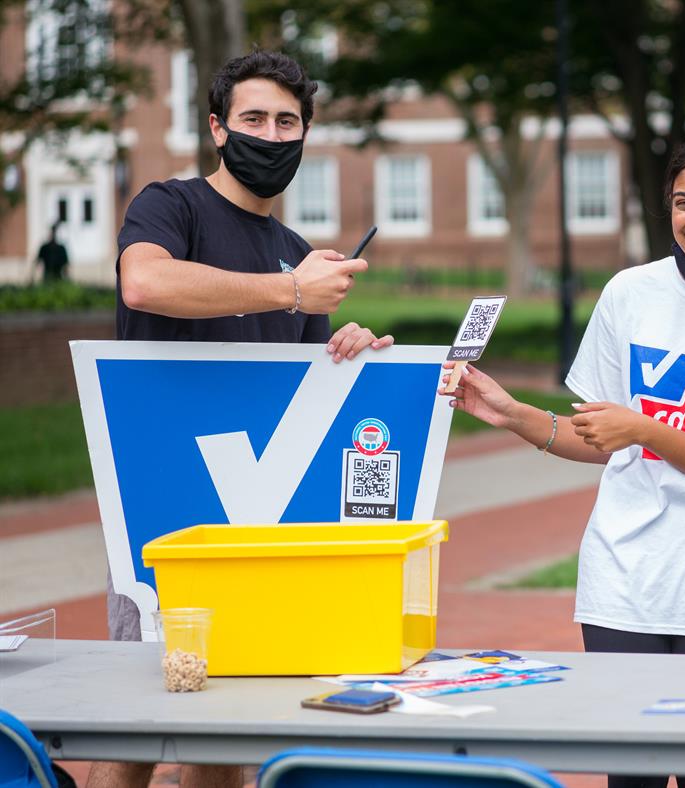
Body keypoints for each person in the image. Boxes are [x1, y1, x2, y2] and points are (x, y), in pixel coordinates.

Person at [441, 137, 685, 788]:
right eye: (684, 202)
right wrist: (509, 412)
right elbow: (599, 437)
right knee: (631, 775)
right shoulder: (628, 293)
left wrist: (646, 427)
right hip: (621, 580)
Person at [90, 50, 392, 788]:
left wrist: (350, 354)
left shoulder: (293, 254)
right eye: (254, 118)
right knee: (138, 728)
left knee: (227, 738)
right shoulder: (171, 204)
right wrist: (290, 291)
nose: (271, 133)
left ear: (305, 135)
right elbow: (146, 281)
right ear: (219, 129)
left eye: (288, 121)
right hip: (161, 510)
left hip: (253, 516)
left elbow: (298, 394)